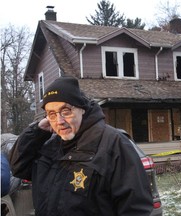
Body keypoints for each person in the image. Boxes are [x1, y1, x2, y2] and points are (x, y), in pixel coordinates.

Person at [9, 75, 153, 216]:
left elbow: (135, 208)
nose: (59, 121)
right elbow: (17, 167)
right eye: (51, 114)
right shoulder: (48, 145)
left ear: (82, 109)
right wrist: (37, 132)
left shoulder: (114, 144)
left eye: (66, 111)